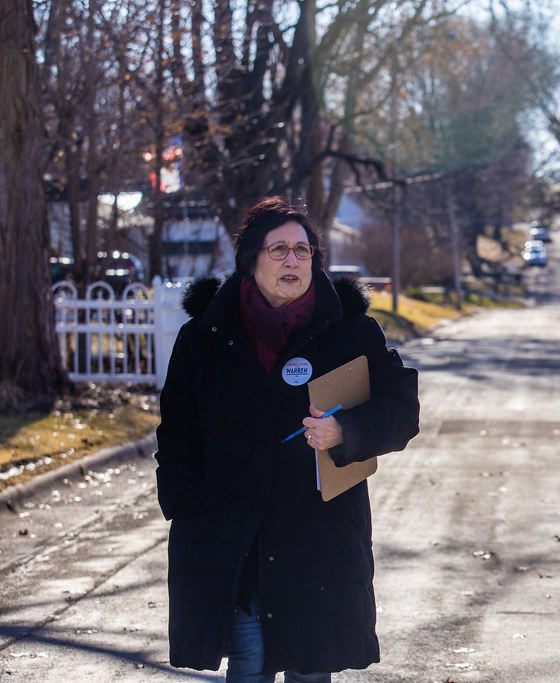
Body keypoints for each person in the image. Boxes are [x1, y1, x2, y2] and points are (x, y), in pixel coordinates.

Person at [155, 197, 419, 681]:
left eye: (303, 250)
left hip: (320, 538)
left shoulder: (350, 333)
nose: (292, 260)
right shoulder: (205, 337)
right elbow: (176, 430)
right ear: (250, 259)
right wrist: (184, 502)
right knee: (249, 660)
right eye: (278, 250)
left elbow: (402, 410)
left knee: (310, 666)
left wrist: (346, 431)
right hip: (233, 534)